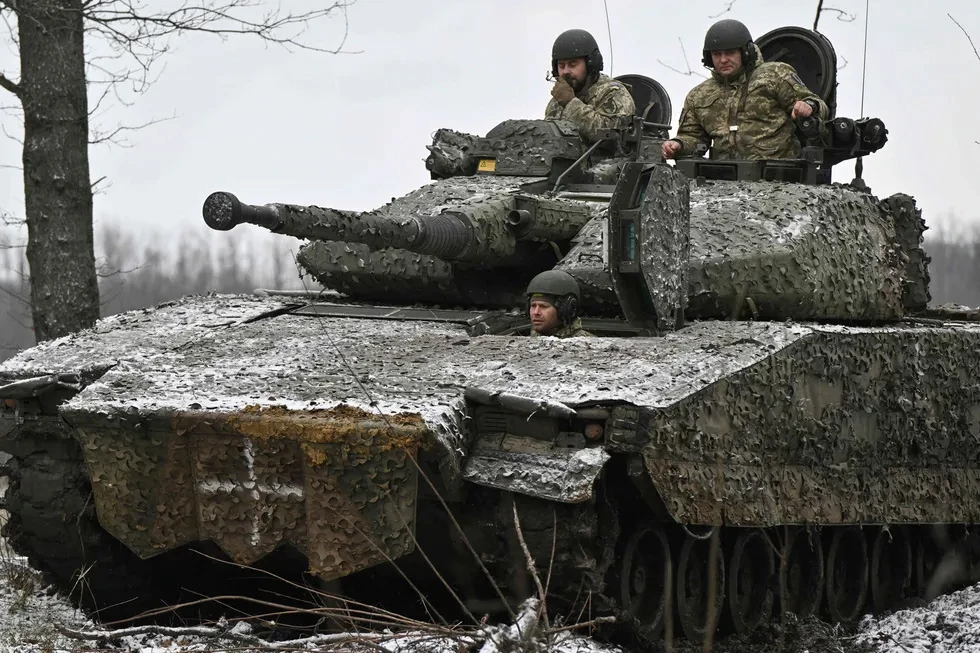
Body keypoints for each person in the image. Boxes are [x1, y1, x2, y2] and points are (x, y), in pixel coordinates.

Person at [662, 19, 829, 161]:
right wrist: (678, 145)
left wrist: (808, 106)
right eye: (717, 54)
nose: (723, 60)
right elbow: (692, 136)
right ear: (709, 58)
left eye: (730, 53)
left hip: (778, 177)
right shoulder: (699, 95)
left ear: (746, 52)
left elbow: (818, 105)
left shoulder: (775, 75)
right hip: (723, 180)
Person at [544, 29, 636, 143]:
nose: (566, 71)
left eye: (572, 65)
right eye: (561, 66)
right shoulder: (556, 102)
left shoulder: (614, 93)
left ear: (590, 64)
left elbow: (611, 138)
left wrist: (570, 103)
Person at [525, 270, 592, 338]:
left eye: (543, 306)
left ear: (566, 310)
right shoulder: (528, 340)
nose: (536, 312)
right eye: (533, 306)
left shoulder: (586, 342)